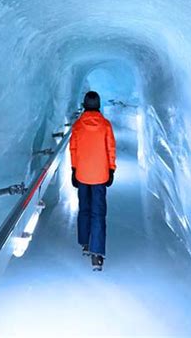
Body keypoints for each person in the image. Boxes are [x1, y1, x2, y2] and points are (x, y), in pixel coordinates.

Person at [69, 90, 116, 271]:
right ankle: (96, 254)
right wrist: (111, 169)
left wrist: (74, 170)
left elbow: (73, 149)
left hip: (82, 174)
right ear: (98, 105)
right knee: (98, 213)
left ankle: (85, 243)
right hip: (100, 176)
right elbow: (111, 149)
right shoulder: (105, 125)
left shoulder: (78, 126)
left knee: (84, 209)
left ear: (84, 105)